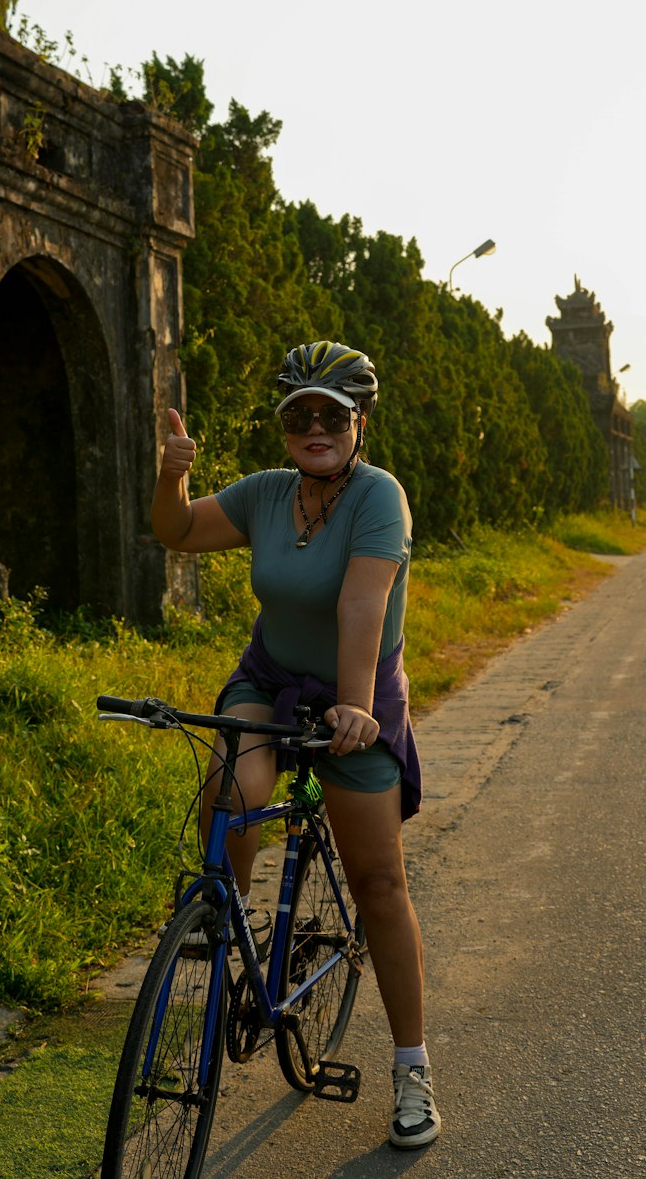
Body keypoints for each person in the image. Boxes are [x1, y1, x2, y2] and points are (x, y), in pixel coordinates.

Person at [150, 341, 441, 1150]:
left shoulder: (379, 497)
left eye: (331, 414)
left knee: (379, 880)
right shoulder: (268, 494)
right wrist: (173, 471)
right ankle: (222, 921)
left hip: (358, 697)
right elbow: (175, 530)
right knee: (235, 795)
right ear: (283, 423)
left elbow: (362, 604)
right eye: (298, 413)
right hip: (271, 678)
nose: (314, 426)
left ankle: (412, 1068)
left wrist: (353, 708)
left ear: (359, 422)